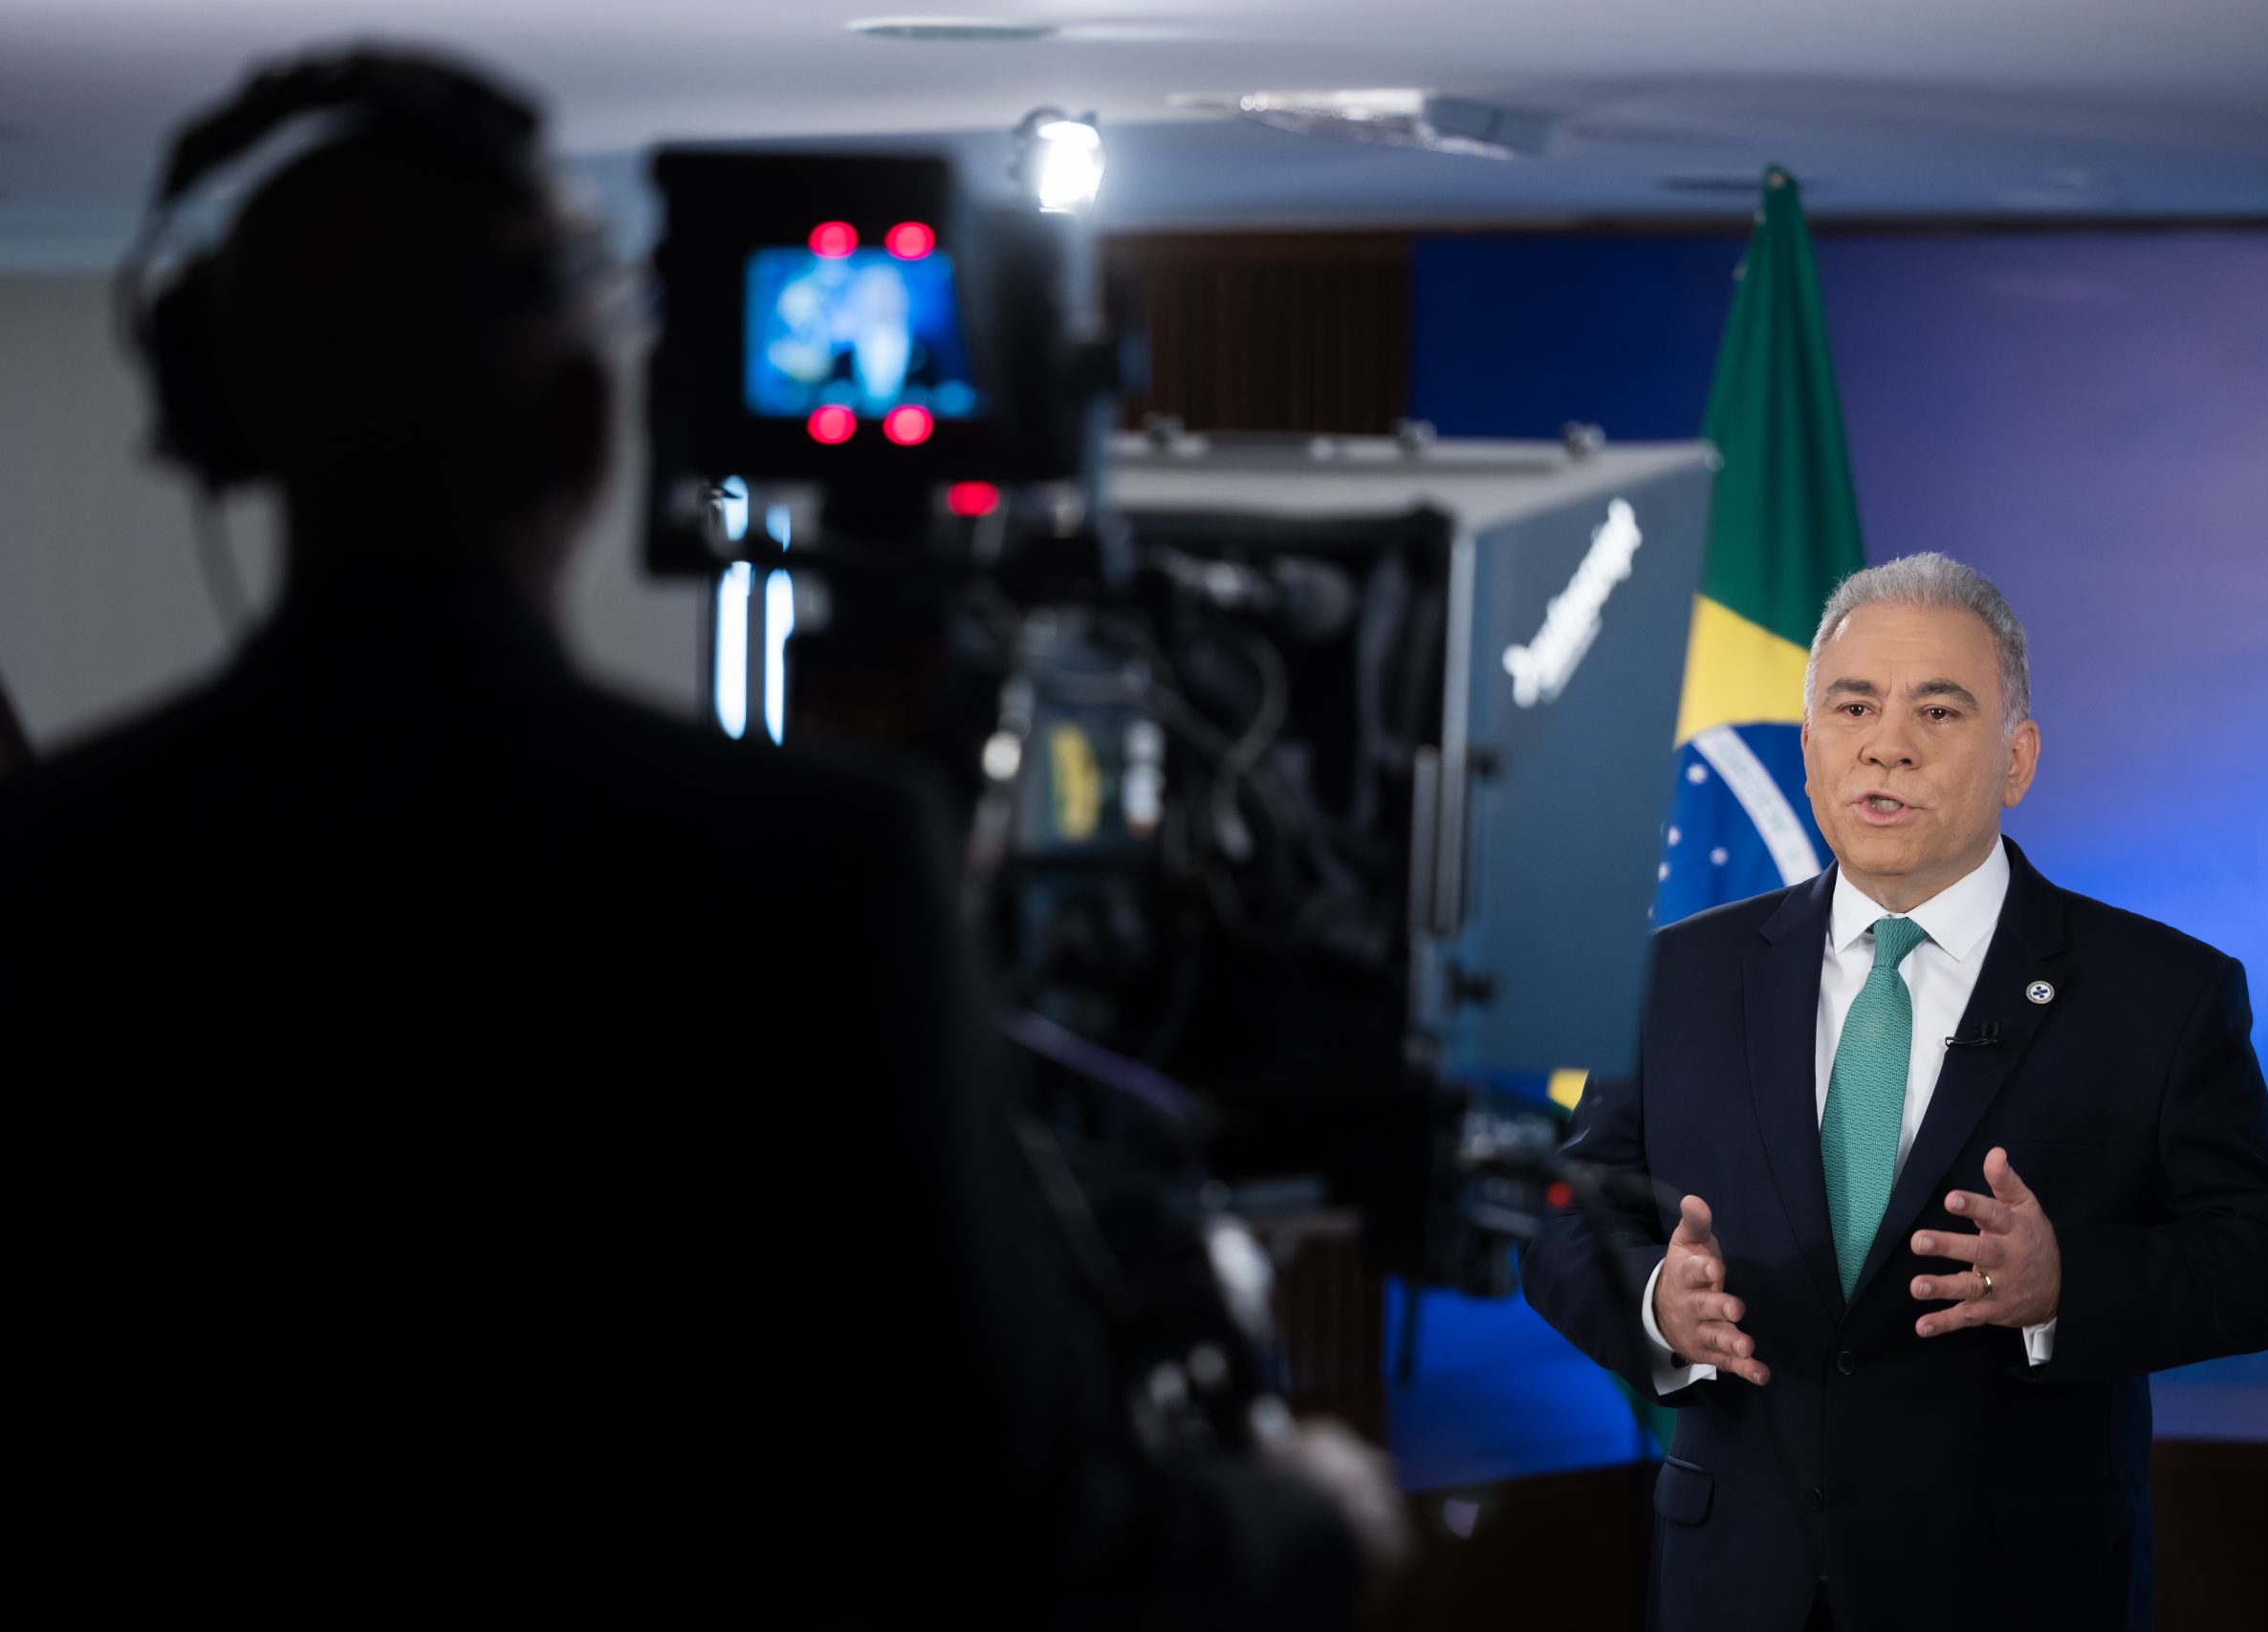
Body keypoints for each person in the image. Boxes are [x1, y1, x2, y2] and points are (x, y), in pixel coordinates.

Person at [0, 49, 1397, 1628]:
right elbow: (1005, 1528)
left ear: (213, 414)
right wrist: (1311, 1521)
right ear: (596, 414)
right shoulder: (808, 869)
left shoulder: (46, 868)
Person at [1521, 553, 2268, 1632]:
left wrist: (2063, 1282)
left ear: (2017, 758)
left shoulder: (2162, 994)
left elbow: (2264, 1264)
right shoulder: (1675, 977)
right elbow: (1563, 1216)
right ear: (1808, 752)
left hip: (2016, 1588)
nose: (1885, 742)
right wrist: (1656, 1302)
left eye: (1938, 711)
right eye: (1852, 706)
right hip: (1736, 1587)